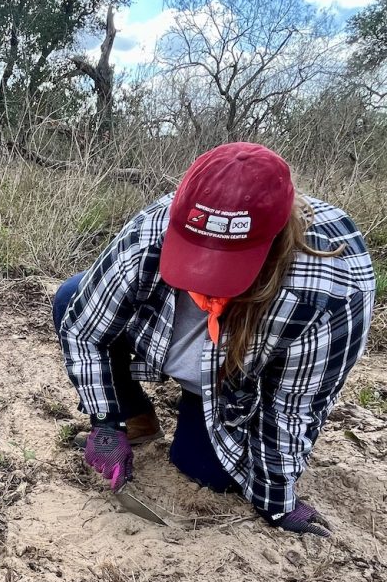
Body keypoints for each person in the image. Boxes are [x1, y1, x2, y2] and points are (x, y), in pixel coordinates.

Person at [54, 142, 375, 537]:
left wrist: (276, 502)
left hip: (234, 380)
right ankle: (134, 415)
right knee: (72, 296)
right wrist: (105, 421)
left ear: (273, 245)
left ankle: (200, 410)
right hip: (163, 335)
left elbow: (294, 407)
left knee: (208, 473)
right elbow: (84, 329)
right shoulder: (154, 226)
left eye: (224, 262)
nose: (203, 277)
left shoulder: (331, 289)